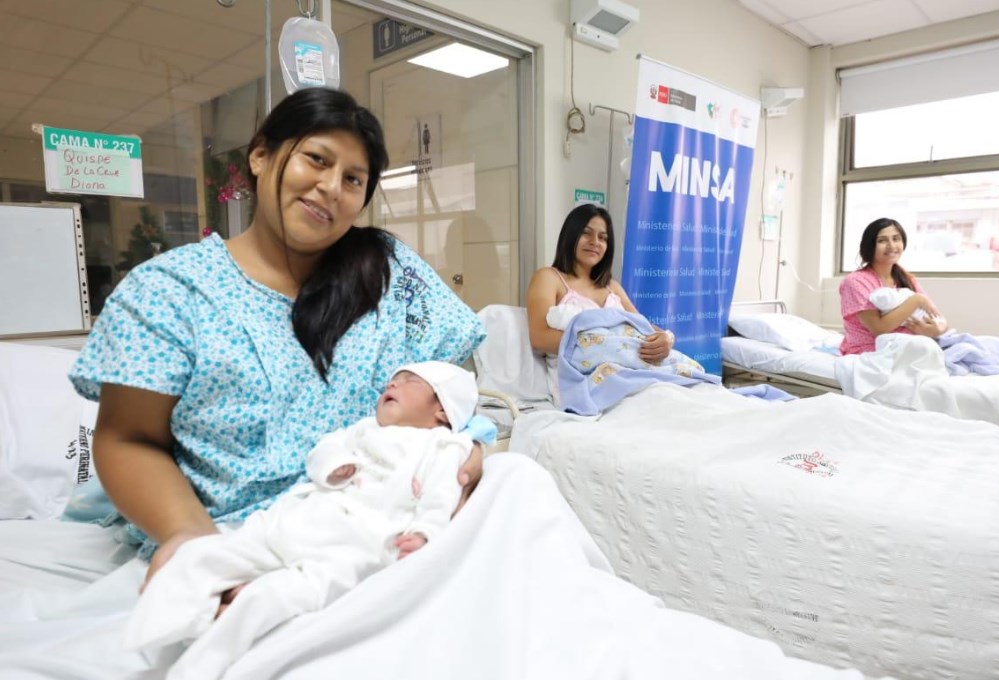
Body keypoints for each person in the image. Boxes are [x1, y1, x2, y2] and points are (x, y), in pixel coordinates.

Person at [68, 87, 486, 608]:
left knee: (528, 495)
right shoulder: (169, 291)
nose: (331, 187)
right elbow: (128, 439)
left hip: (385, 522)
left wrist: (468, 450)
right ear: (261, 156)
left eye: (353, 179)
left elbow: (449, 378)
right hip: (242, 538)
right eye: (316, 159)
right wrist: (193, 541)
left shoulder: (387, 272)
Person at [125, 361, 480, 680]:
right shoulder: (362, 428)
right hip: (300, 520)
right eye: (391, 380)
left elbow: (441, 496)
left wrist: (422, 533)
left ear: (442, 410)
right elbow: (322, 450)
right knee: (205, 553)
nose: (393, 385)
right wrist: (334, 465)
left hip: (356, 544)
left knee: (268, 598)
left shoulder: (445, 447)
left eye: (409, 381)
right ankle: (168, 624)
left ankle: (198, 668)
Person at [526, 204, 674, 400]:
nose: (595, 242)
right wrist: (606, 345)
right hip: (582, 380)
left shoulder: (613, 287)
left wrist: (666, 339)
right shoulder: (548, 278)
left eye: (603, 238)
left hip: (631, 373)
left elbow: (642, 327)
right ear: (570, 236)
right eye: (586, 234)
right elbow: (539, 338)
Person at [838, 217, 948, 355]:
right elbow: (879, 329)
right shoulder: (855, 282)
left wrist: (936, 329)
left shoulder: (906, 278)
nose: (891, 246)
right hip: (872, 351)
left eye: (896, 239)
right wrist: (916, 300)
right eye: (882, 240)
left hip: (909, 347)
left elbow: (940, 319)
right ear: (869, 245)